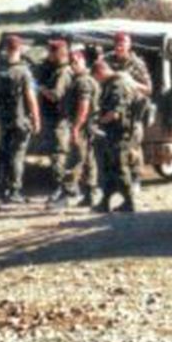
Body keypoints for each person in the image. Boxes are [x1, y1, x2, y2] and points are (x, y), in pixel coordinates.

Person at [0, 35, 41, 203]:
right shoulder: (23, 72)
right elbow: (30, 97)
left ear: (6, 48)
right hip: (20, 119)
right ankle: (15, 189)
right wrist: (36, 119)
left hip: (2, 118)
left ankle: (2, 188)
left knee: (3, 153)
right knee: (17, 155)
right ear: (19, 49)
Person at [92, 60, 140, 214]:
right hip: (111, 133)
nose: (97, 81)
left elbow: (115, 113)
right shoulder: (111, 84)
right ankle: (105, 202)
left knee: (120, 168)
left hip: (119, 134)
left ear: (101, 72)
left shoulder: (118, 85)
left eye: (97, 77)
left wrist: (99, 122)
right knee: (109, 168)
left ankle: (130, 202)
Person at [39, 39, 76, 207]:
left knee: (58, 156)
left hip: (59, 121)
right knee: (56, 155)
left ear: (57, 54)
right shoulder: (55, 70)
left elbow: (56, 96)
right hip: (54, 120)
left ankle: (63, 191)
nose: (48, 54)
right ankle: (65, 190)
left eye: (50, 52)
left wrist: (41, 89)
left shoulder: (63, 73)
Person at [65, 48, 100, 208]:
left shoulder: (83, 81)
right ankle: (89, 195)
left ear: (83, 61)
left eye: (76, 62)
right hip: (88, 125)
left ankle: (68, 192)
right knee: (88, 161)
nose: (73, 65)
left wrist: (75, 128)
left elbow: (84, 107)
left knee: (77, 159)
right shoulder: (84, 79)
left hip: (84, 125)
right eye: (71, 62)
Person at [105, 32, 151, 97]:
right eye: (116, 45)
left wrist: (131, 82)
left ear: (129, 46)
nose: (118, 48)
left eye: (121, 45)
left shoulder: (137, 64)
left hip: (129, 100)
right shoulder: (107, 59)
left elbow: (148, 89)